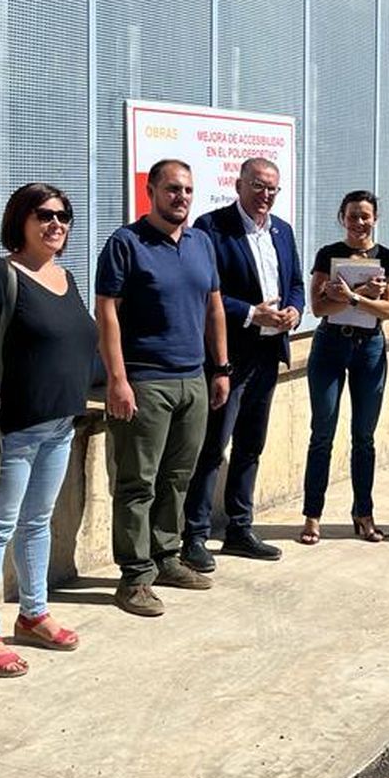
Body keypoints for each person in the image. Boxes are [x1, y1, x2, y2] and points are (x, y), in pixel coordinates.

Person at [0, 183, 97, 677]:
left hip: (59, 427)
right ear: (21, 220)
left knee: (38, 523)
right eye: (44, 215)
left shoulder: (66, 277)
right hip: (11, 431)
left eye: (64, 215)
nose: (56, 223)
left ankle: (33, 614)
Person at [96, 159, 231, 617]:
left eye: (188, 190)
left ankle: (167, 557)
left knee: (178, 478)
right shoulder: (125, 243)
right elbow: (107, 313)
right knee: (138, 483)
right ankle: (134, 577)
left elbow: (214, 307)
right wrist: (117, 380)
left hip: (192, 379)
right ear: (151, 190)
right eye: (172, 189)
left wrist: (221, 367)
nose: (182, 197)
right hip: (145, 381)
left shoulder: (200, 243)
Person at [181, 156, 304, 569]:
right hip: (228, 356)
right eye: (258, 186)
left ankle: (239, 527)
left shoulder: (282, 231)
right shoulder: (211, 229)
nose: (265, 195)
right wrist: (253, 313)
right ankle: (194, 535)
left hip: (269, 355)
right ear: (239, 184)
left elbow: (297, 286)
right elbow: (204, 293)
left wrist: (294, 313)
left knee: (251, 446)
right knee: (213, 447)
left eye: (272, 188)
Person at [299, 190, 389, 544]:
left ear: (376, 218)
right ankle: (313, 515)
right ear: (341, 217)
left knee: (364, 437)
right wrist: (349, 295)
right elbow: (317, 308)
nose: (360, 222)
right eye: (353, 215)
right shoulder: (328, 255)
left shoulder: (388, 258)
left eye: (366, 215)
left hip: (369, 347)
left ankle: (364, 513)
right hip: (330, 344)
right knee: (322, 434)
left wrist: (355, 295)